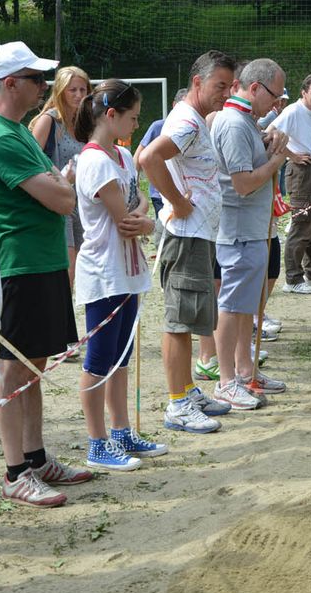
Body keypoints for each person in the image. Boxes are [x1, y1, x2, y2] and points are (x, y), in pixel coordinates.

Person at [0, 41, 93, 508]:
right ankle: (15, 471)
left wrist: (60, 183)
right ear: (9, 83)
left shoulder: (18, 130)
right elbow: (63, 198)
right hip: (18, 265)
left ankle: (36, 458)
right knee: (14, 366)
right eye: (36, 79)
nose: (44, 86)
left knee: (34, 364)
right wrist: (61, 183)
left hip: (41, 261)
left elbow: (59, 186)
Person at [71, 79, 168, 468]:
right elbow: (126, 220)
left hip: (127, 271)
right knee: (99, 358)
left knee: (121, 357)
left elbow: (138, 199)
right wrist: (146, 220)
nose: (136, 125)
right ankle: (97, 443)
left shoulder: (124, 156)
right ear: (110, 115)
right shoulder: (94, 161)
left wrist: (141, 215)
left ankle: (121, 430)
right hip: (104, 273)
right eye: (132, 118)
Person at [139, 49, 237, 434]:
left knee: (190, 317)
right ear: (198, 82)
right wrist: (178, 202)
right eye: (220, 86)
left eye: (230, 86)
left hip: (197, 235)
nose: (225, 94)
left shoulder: (193, 119)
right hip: (185, 235)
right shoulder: (187, 123)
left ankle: (187, 390)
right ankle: (177, 404)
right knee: (179, 322)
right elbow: (149, 157)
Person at [210, 59, 291, 410]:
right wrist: (277, 160)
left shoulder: (245, 121)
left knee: (245, 306)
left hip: (252, 230)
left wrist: (269, 146)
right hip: (238, 231)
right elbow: (242, 184)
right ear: (254, 87)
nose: (277, 104)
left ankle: (245, 371)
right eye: (274, 95)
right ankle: (226, 381)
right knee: (231, 306)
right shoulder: (233, 123)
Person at [30, 66, 89, 322]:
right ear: (61, 91)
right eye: (72, 90)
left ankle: (66, 327)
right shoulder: (49, 121)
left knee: (83, 270)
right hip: (57, 203)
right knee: (67, 269)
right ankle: (58, 328)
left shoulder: (86, 123)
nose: (78, 95)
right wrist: (59, 178)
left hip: (82, 204)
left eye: (83, 89)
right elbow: (29, 160)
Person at [269, 74, 311, 294]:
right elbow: (270, 133)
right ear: (304, 93)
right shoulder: (292, 111)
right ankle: (293, 279)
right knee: (302, 223)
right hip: (300, 171)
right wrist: (292, 155)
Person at [135, 87, 188, 220]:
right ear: (174, 105)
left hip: (185, 193)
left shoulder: (193, 128)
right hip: (160, 194)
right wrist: (134, 182)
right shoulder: (158, 126)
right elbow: (139, 155)